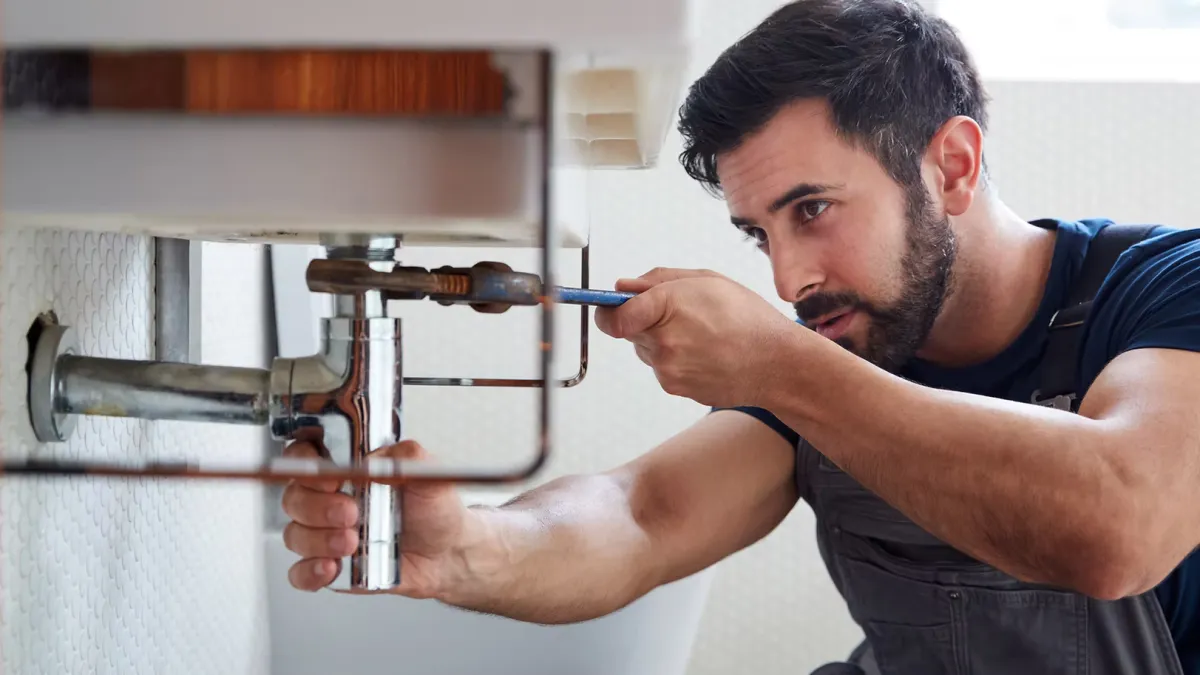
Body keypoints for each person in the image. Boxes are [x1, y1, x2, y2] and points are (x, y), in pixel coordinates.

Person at [277, 1, 1200, 672]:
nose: (790, 279)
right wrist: (467, 547)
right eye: (760, 233)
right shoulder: (838, 347)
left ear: (951, 165)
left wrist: (778, 359)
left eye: (813, 208)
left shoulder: (1167, 289)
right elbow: (642, 513)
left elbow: (1123, 524)